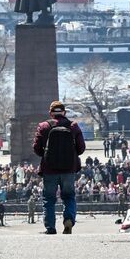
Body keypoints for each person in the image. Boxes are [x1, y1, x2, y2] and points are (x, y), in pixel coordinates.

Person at [33, 100, 86, 234]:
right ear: (64, 112)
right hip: (68, 170)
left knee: (49, 199)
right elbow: (81, 148)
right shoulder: (73, 126)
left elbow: (37, 148)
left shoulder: (44, 126)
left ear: (50, 113)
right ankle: (68, 219)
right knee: (69, 197)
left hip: (49, 170)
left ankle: (50, 227)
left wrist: (47, 154)